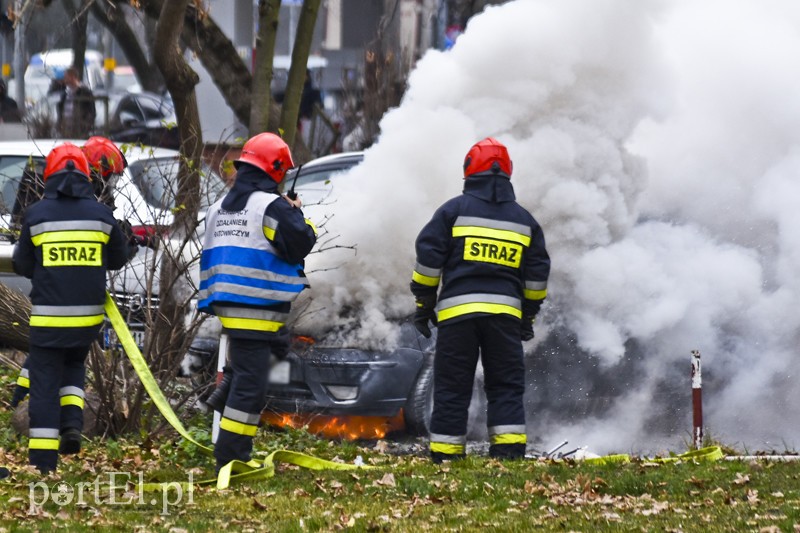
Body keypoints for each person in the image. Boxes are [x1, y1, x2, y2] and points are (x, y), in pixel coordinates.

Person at [410, 137, 550, 462]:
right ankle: (509, 456)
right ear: (508, 173)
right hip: (505, 318)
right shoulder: (525, 222)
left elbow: (428, 264)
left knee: (452, 388)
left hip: (457, 317)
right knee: (505, 387)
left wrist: (424, 306)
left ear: (469, 171)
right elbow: (537, 279)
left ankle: (446, 458)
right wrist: (527, 317)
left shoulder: (452, 212)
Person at [198, 132, 317, 471]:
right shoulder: (271, 206)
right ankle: (231, 456)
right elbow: (301, 242)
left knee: (255, 363)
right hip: (258, 307)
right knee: (252, 386)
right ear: (275, 170)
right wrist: (298, 214)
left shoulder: (219, 207)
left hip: (230, 306)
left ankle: (220, 398)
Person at [12, 143, 132, 474]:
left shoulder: (35, 215)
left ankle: (43, 466)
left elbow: (22, 264)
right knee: (74, 367)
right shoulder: (102, 215)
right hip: (87, 321)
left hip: (48, 321)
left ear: (48, 176)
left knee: (44, 390)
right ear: (85, 174)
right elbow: (119, 259)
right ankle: (72, 425)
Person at [56, 67, 96, 138]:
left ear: (73, 77)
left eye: (66, 77)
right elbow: (61, 110)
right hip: (66, 129)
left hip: (80, 131)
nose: (65, 80)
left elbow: (92, 112)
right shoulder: (65, 94)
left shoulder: (85, 92)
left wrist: (86, 126)